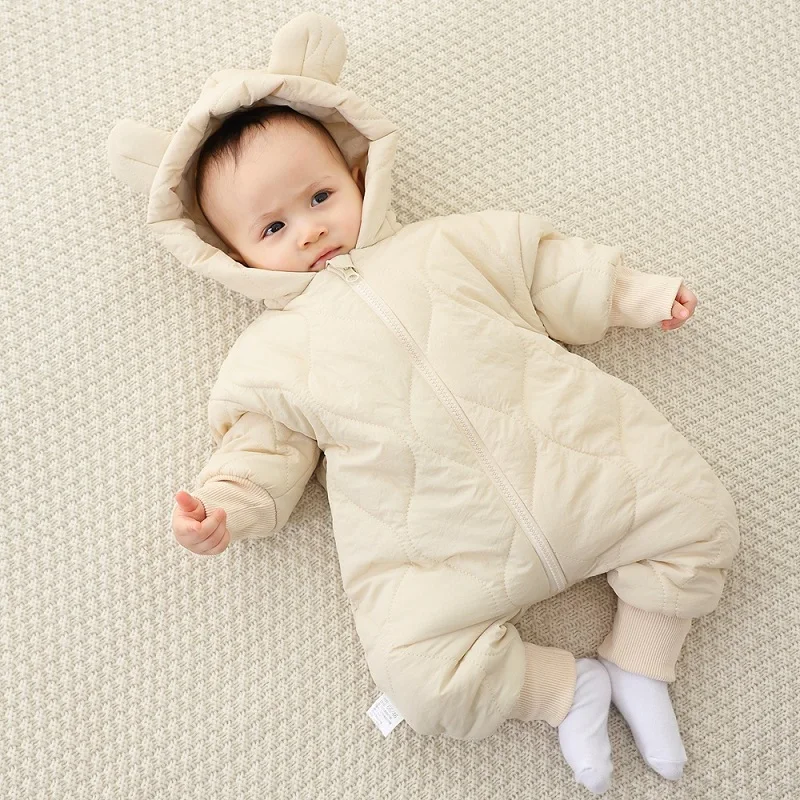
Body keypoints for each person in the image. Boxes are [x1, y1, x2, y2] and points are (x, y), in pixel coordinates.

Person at [111, 12, 740, 795]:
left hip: (583, 464)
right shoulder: (269, 358)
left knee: (697, 518)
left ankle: (641, 663)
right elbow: (259, 452)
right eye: (273, 226)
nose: (309, 231)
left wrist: (633, 295)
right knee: (421, 679)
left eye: (320, 196)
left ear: (357, 173)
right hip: (438, 549)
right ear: (229, 253)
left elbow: (547, 273)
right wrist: (223, 509)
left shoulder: (450, 245)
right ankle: (566, 691)